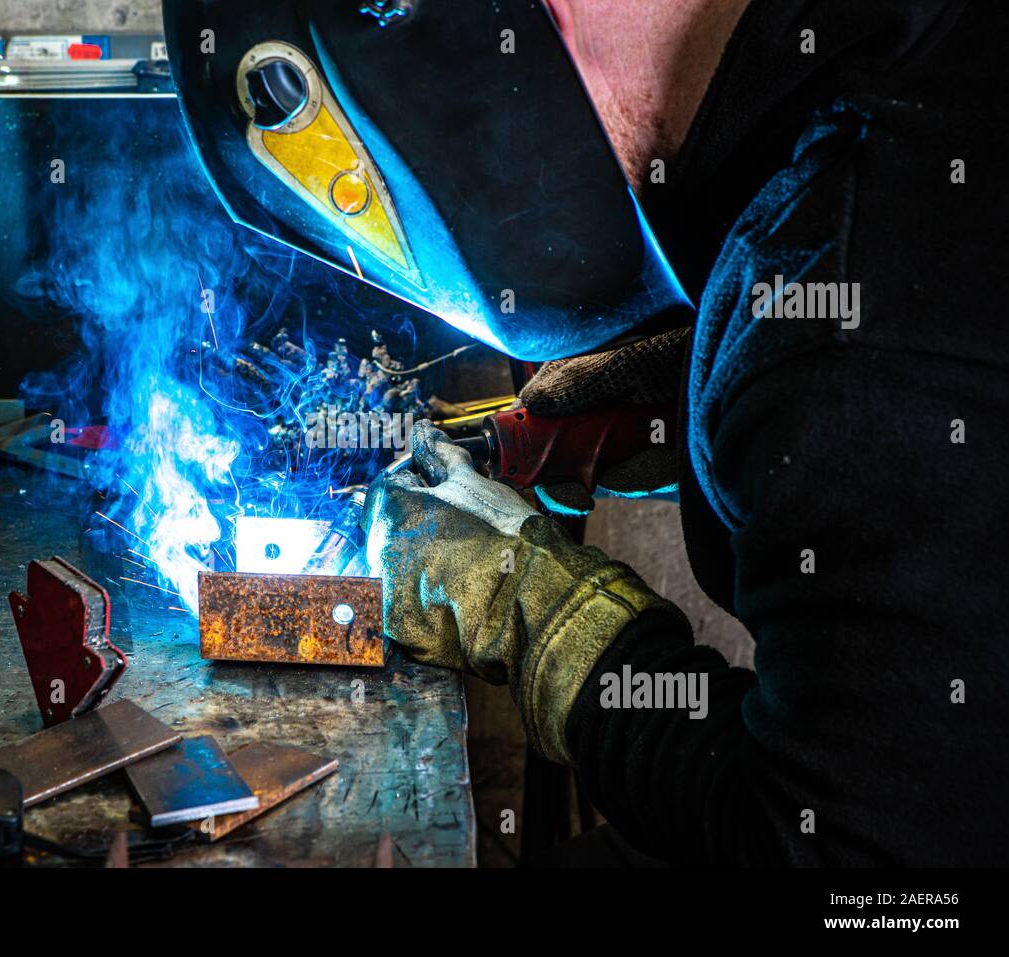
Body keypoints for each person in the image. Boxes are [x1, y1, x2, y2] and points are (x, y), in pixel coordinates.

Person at [168, 0, 1008, 864]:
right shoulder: (911, 69)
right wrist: (695, 382)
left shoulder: (857, 321)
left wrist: (536, 610)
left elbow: (855, 871)